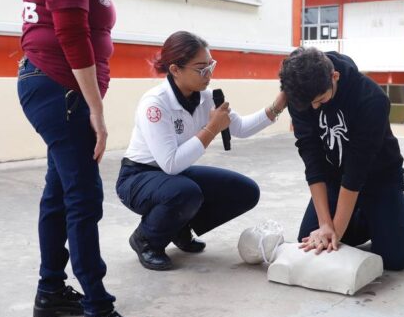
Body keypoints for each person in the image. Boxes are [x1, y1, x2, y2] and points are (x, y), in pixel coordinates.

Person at [16, 0, 151, 317]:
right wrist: (96, 109)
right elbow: (72, 36)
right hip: (61, 90)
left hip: (53, 86)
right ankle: (99, 312)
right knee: (83, 198)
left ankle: (50, 290)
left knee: (60, 192)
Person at [116, 31, 287, 270]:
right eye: (201, 68)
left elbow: (242, 128)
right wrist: (211, 129)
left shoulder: (207, 97)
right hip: (138, 178)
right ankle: (146, 239)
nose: (209, 74)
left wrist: (280, 103)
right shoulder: (155, 104)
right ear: (175, 70)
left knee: (245, 191)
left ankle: (179, 227)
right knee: (186, 192)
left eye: (210, 65)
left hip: (173, 177)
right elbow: (171, 164)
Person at [278, 48, 404, 271]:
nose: (314, 108)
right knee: (310, 240)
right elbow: (311, 157)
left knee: (396, 258)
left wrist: (335, 234)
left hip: (379, 179)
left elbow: (356, 171)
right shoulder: (301, 93)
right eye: (309, 104)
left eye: (321, 100)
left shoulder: (371, 99)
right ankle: (366, 217)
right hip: (334, 178)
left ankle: (400, 213)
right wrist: (325, 225)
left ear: (335, 77)